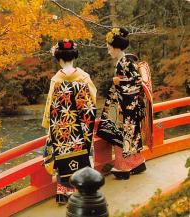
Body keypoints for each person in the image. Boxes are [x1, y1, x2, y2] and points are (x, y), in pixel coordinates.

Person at [42, 39, 97, 204]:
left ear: (58, 58)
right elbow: (92, 101)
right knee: (84, 155)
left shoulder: (56, 80)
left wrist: (48, 126)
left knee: (62, 158)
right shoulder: (84, 77)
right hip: (81, 127)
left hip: (62, 128)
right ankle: (84, 190)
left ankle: (63, 192)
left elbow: (50, 106)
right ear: (75, 56)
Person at [96, 27, 147, 180]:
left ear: (116, 47)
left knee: (120, 137)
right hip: (128, 106)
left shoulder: (125, 62)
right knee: (132, 136)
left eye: (109, 48)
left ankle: (123, 167)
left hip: (126, 108)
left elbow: (137, 82)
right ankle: (137, 163)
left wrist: (118, 83)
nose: (108, 51)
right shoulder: (124, 61)